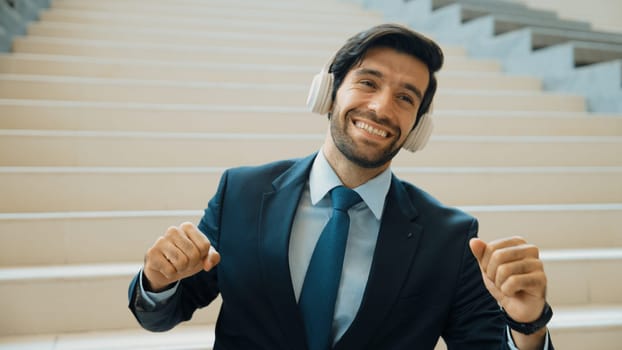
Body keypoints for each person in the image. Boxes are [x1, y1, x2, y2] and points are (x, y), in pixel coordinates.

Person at [128, 23, 554, 349]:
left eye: (406, 98)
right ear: (328, 91)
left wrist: (528, 325)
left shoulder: (450, 236)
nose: (381, 107)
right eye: (368, 82)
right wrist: (159, 280)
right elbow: (161, 315)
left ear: (419, 127)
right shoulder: (240, 193)